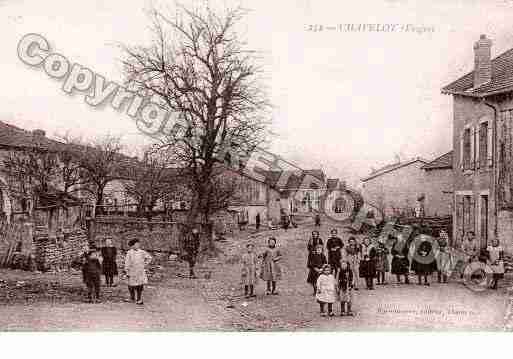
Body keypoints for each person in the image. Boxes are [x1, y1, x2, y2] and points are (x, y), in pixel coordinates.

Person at [124, 239, 152, 305]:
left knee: (140, 284)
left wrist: (144, 264)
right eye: (136, 244)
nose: (138, 245)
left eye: (138, 244)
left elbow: (149, 258)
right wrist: (127, 270)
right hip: (132, 271)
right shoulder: (129, 252)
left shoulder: (142, 252)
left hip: (140, 271)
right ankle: (132, 297)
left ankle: (139, 298)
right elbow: (127, 262)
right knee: (131, 285)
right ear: (132, 246)